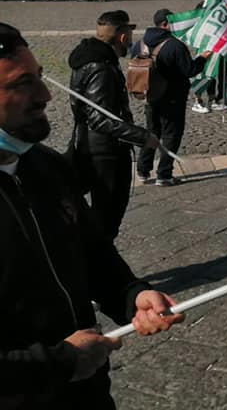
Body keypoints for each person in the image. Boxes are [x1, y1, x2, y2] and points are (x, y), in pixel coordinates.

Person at [0, 22, 183, 409]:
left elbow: (94, 254)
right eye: (20, 84)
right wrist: (59, 364)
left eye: (40, 77)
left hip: (88, 395)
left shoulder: (46, 167)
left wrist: (133, 295)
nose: (45, 95)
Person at [68, 11, 159, 239]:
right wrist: (141, 136)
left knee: (102, 216)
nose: (130, 40)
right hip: (104, 153)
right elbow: (99, 118)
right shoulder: (101, 68)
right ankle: (100, 268)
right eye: (128, 34)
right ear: (121, 37)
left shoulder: (92, 60)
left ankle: (101, 265)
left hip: (95, 146)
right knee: (106, 217)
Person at [133, 9, 210, 187]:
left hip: (149, 96)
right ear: (166, 23)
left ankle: (142, 170)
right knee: (171, 135)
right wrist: (203, 58)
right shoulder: (175, 45)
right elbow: (190, 70)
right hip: (172, 98)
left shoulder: (140, 44)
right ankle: (164, 174)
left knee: (152, 132)